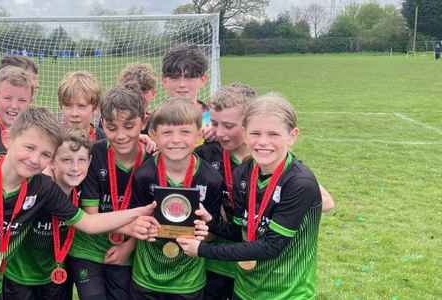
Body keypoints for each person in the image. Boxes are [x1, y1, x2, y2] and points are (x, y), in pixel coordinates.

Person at [0, 107, 161, 300]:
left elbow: (88, 222)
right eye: (29, 147)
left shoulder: (42, 189)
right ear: (7, 139)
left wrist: (140, 211)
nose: (34, 159)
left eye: (45, 154)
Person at [195, 83, 336, 299]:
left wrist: (201, 250)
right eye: (214, 123)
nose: (263, 142)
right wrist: (212, 221)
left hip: (282, 288)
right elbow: (242, 228)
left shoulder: (295, 177)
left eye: (273, 134)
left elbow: (272, 245)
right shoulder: (239, 169)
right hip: (241, 281)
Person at [129, 99, 223, 299]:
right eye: (167, 132)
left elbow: (212, 234)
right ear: (153, 134)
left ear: (199, 135)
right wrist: (142, 228)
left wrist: (205, 232)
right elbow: (135, 220)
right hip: (147, 276)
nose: (176, 140)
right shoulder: (144, 175)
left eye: (185, 132)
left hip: (188, 281)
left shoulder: (211, 179)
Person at [67, 86, 154, 300]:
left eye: (129, 126)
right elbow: (91, 216)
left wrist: (129, 245)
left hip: (130, 250)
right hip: (87, 248)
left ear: (143, 122)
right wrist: (131, 228)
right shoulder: (94, 154)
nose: (121, 135)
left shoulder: (153, 161)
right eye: (112, 127)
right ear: (102, 124)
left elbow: (150, 215)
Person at [3, 129, 93, 300]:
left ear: (89, 162)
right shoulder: (36, 188)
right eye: (66, 160)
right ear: (51, 162)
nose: (75, 168)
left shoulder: (84, 188)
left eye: (81, 160)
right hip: (18, 277)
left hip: (56, 277)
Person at [161, 45, 213, 140]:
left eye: (189, 77)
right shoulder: (154, 120)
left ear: (203, 80)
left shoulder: (215, 121)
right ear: (164, 81)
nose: (182, 84)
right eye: (175, 77)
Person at [58, 71, 101, 141]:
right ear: (61, 107)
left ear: (95, 108)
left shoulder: (106, 143)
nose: (74, 113)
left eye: (81, 106)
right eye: (68, 105)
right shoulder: (54, 142)